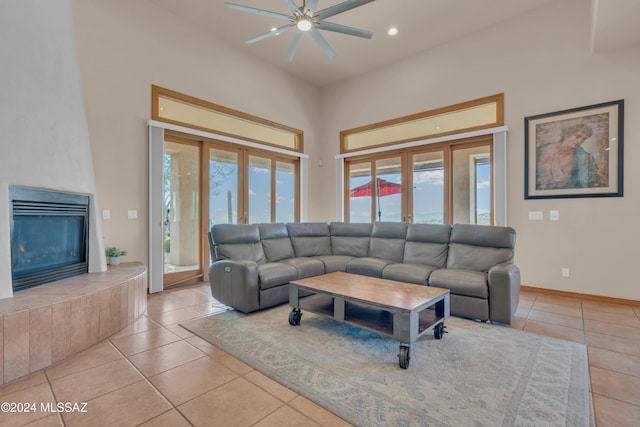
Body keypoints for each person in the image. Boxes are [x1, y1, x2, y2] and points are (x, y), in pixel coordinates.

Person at [536, 123, 601, 190]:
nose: (580, 141)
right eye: (577, 136)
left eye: (584, 139)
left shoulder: (583, 157)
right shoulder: (545, 149)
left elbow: (586, 185)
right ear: (567, 135)